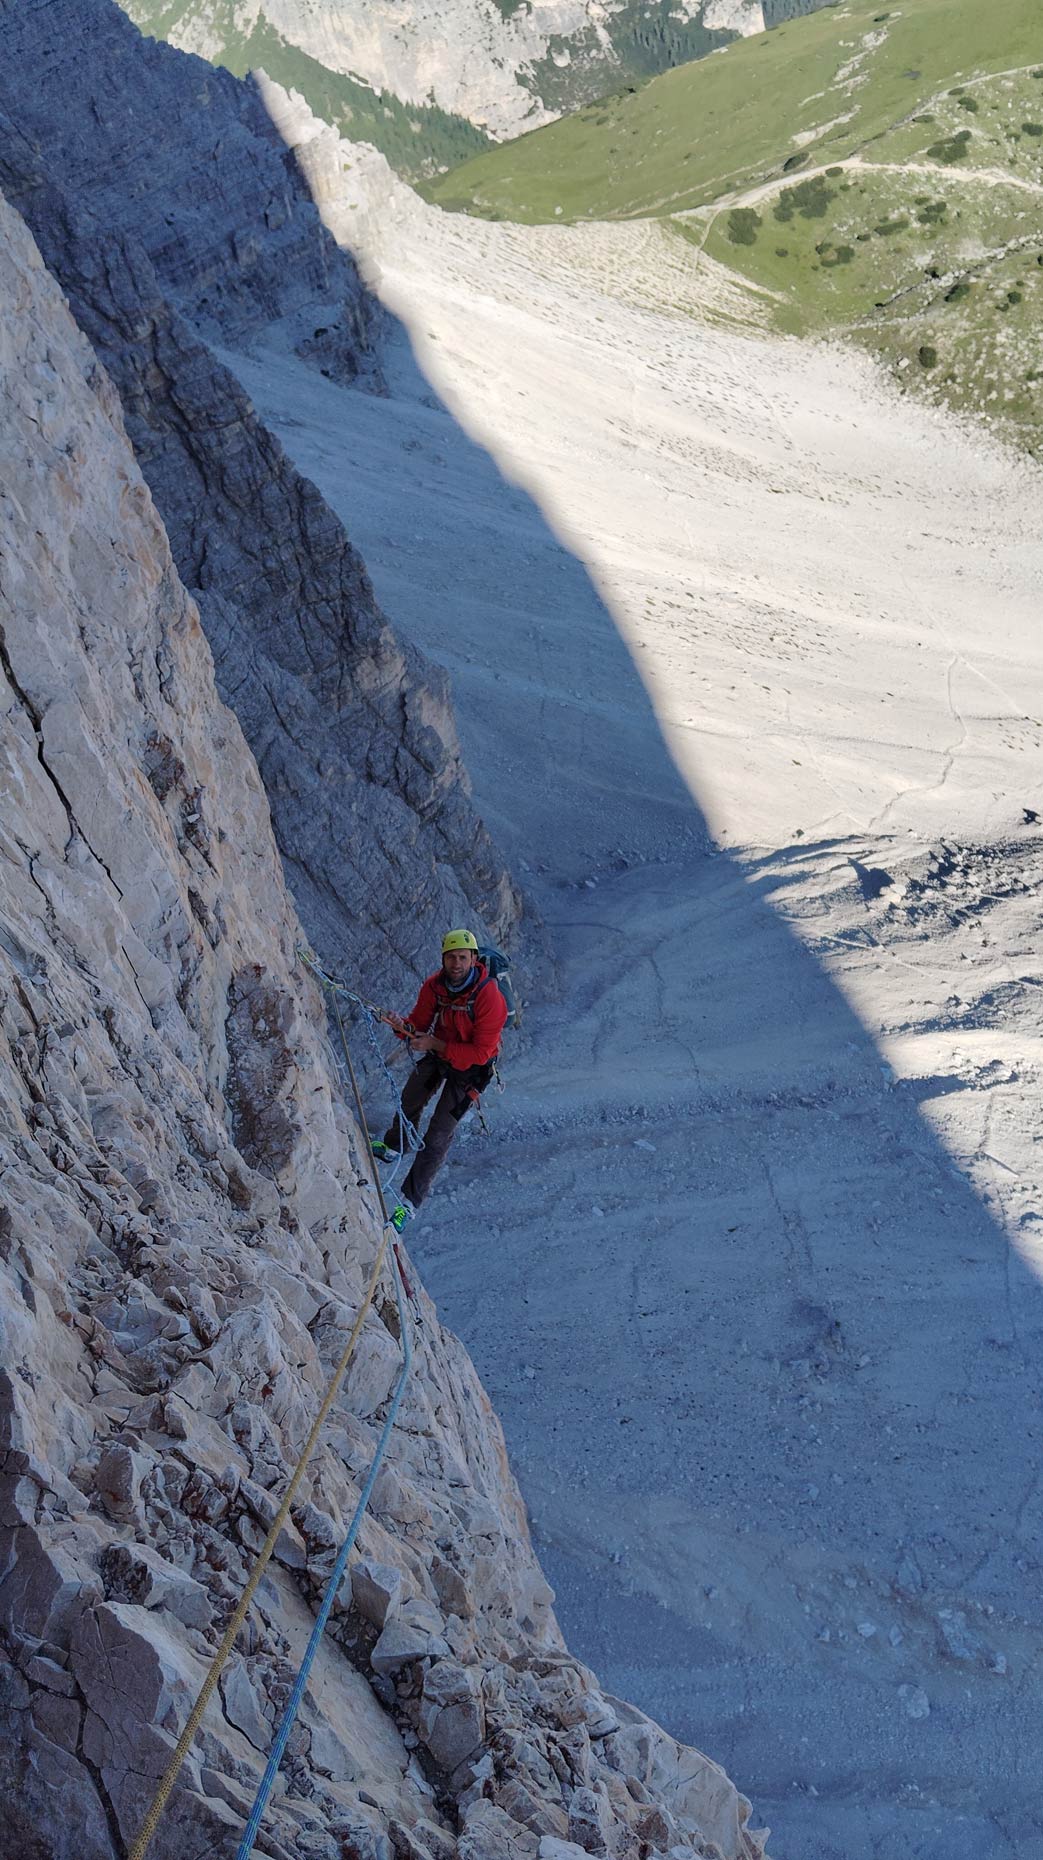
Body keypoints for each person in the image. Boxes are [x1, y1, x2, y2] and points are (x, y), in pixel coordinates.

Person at [374, 930, 508, 1231]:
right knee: (410, 1097)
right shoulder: (435, 986)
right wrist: (401, 1026)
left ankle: (409, 1203)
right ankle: (395, 1146)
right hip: (441, 1050)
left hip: (473, 1068)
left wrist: (435, 1045)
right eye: (451, 957)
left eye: (462, 957)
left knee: (439, 1133)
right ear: (443, 960)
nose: (456, 963)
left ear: (474, 959)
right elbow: (418, 1024)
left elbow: (482, 1051)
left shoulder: (489, 997)